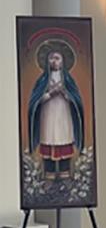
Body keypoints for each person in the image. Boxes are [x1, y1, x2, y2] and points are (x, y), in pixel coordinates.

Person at [27, 46, 84, 181]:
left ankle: (65, 174)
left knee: (64, 141)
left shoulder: (68, 79)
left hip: (64, 115)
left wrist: (65, 93)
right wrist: (49, 94)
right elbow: (34, 101)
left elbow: (76, 100)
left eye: (57, 58)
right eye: (51, 58)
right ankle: (49, 175)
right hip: (48, 116)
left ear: (63, 61)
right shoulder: (42, 80)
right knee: (48, 141)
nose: (54, 61)